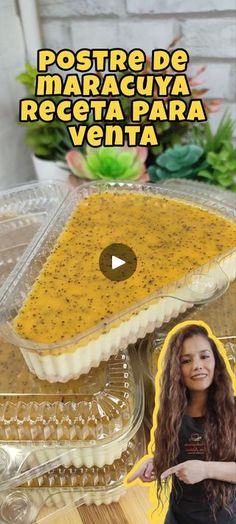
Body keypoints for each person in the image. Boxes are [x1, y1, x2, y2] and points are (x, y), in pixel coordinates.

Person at [127, 323, 236, 523]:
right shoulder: (172, 412)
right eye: (186, 360)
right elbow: (182, 457)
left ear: (216, 361)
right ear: (176, 370)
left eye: (204, 356)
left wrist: (205, 469)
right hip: (178, 518)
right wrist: (157, 462)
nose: (197, 366)